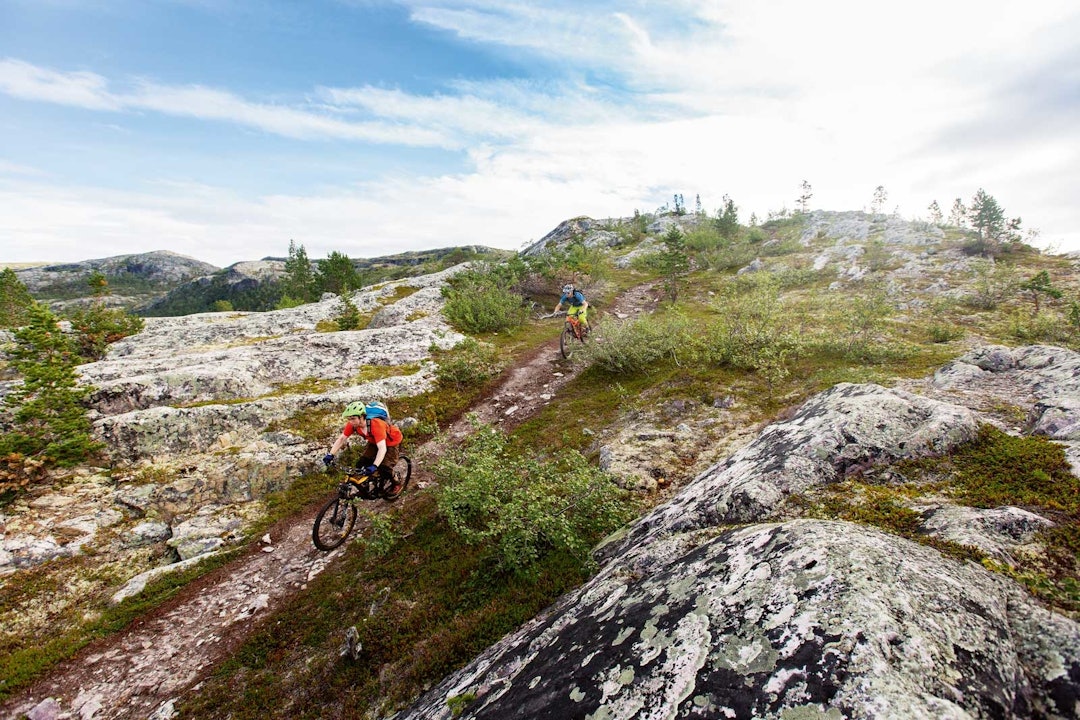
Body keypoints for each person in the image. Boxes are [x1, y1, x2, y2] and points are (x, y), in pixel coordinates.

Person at [323, 400, 404, 495]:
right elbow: (342, 439)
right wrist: (330, 454)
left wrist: (374, 466)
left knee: (384, 467)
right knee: (361, 463)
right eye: (349, 419)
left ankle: (396, 482)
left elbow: (382, 448)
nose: (350, 421)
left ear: (361, 417)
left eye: (353, 418)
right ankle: (364, 488)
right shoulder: (353, 424)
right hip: (374, 441)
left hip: (391, 442)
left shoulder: (376, 424)